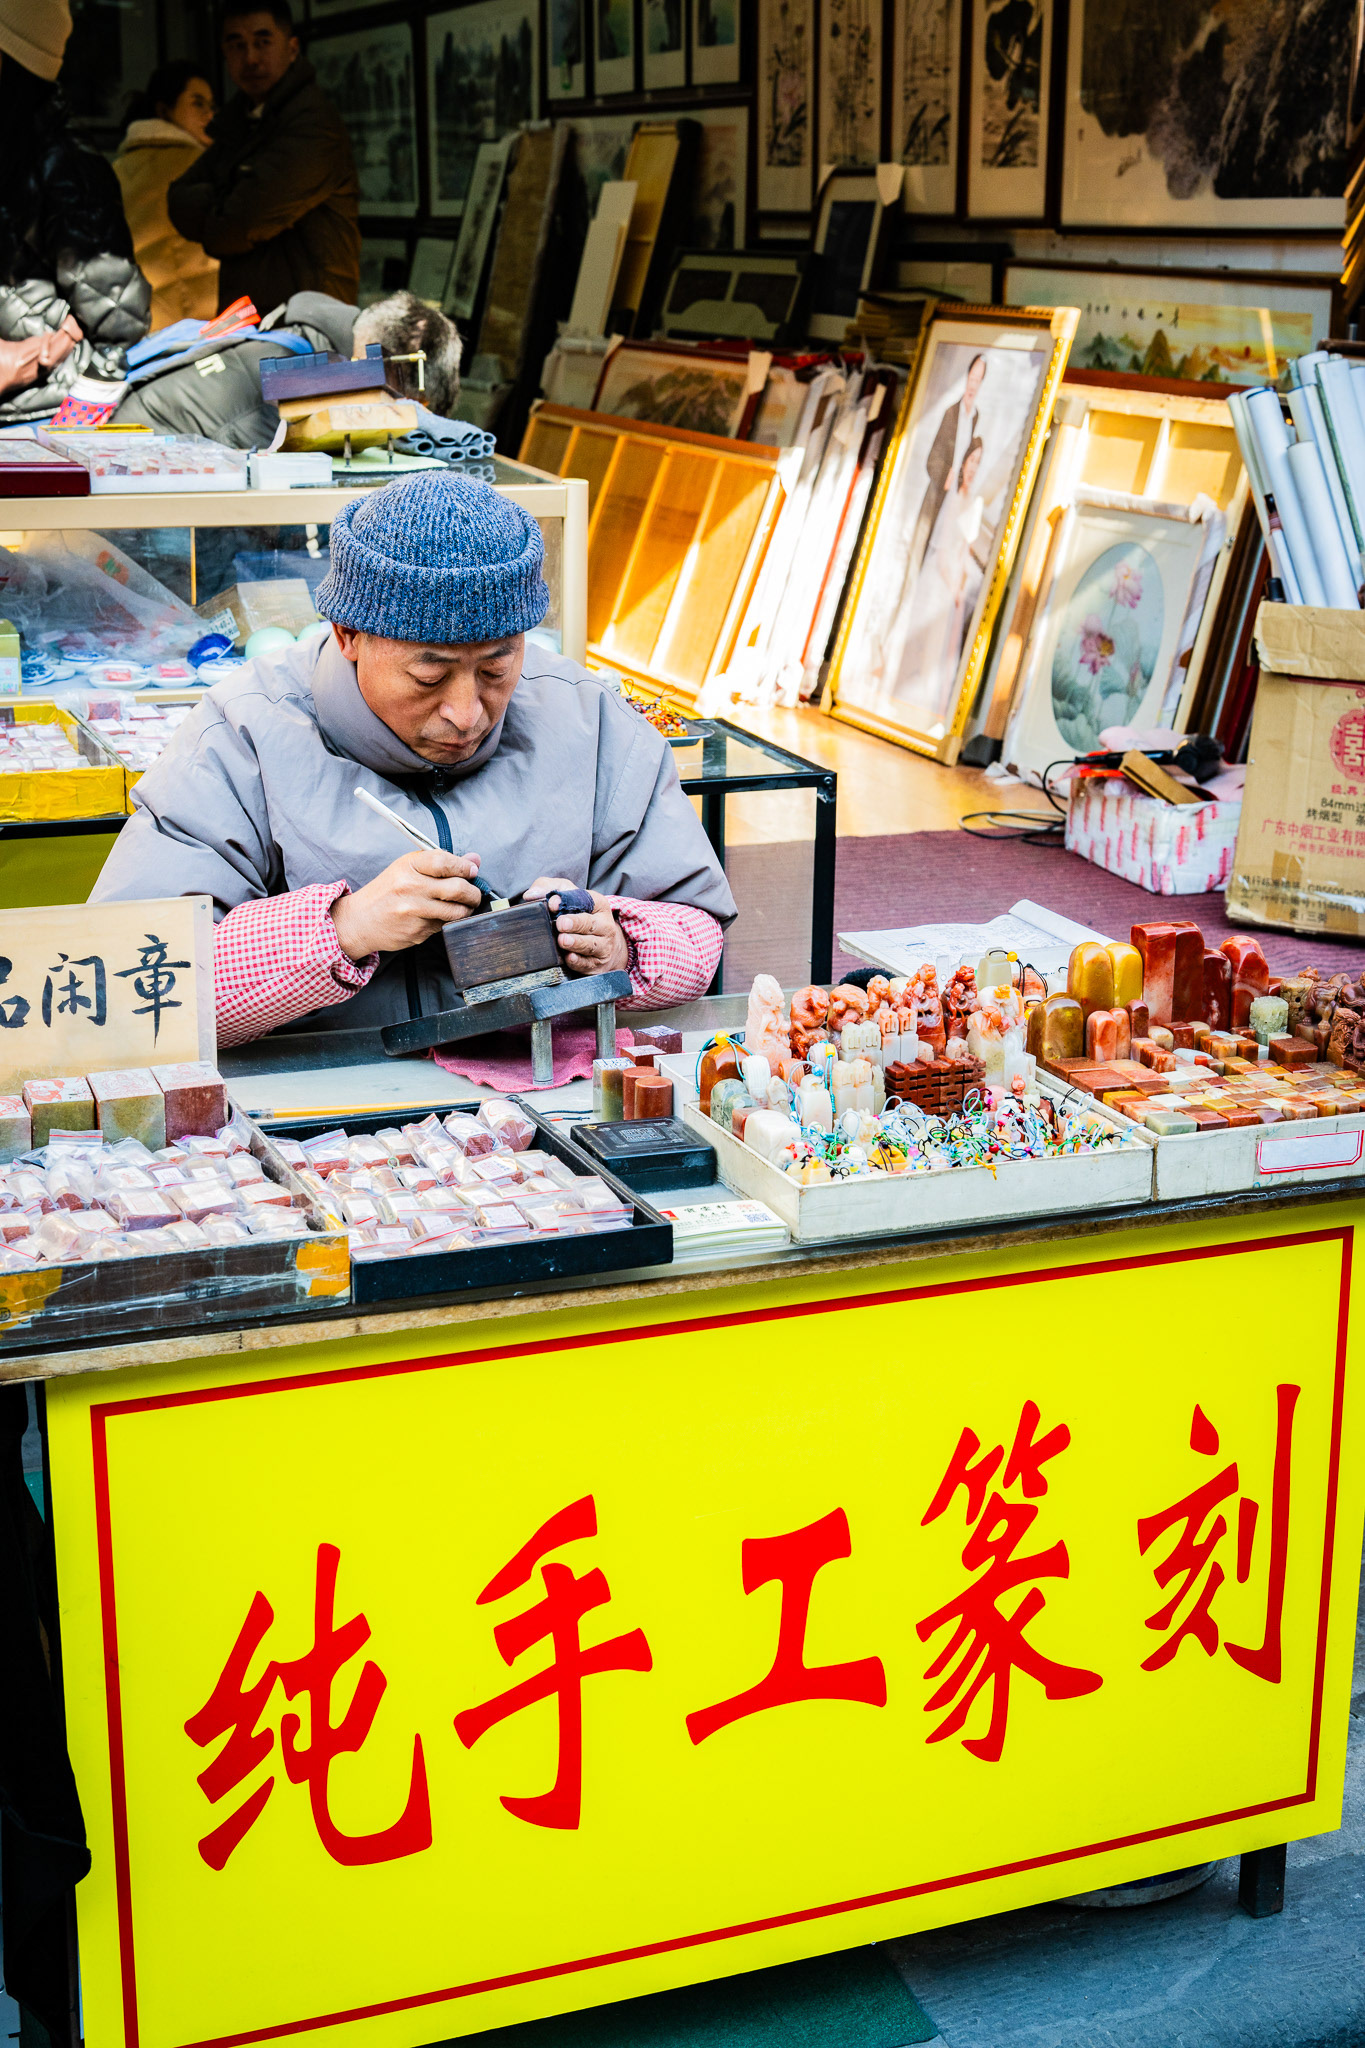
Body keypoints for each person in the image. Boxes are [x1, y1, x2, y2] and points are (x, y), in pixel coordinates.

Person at [91, 472, 736, 1049]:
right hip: (312, 1116)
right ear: (347, 635)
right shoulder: (242, 732)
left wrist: (619, 943)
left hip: (542, 1105)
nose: (467, 713)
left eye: (496, 667)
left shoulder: (589, 718)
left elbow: (699, 931)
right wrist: (344, 930)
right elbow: (132, 980)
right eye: (430, 673)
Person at [0, 0, 150, 421]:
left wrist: (74, 426)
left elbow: (119, 325)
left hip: (42, 422)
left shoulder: (66, 164)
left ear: (16, 62)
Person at [167, 1, 359, 313]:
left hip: (307, 332)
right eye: (237, 45)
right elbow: (177, 202)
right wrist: (231, 195)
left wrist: (223, 204)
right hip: (253, 324)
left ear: (292, 48)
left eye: (263, 42)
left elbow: (238, 225)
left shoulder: (313, 124)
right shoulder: (239, 122)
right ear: (225, 53)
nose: (251, 58)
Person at [112, 289, 462, 447]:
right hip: (133, 477)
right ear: (392, 370)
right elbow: (262, 510)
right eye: (408, 404)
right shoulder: (295, 380)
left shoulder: (309, 338)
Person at [115, 61, 219, 329]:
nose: (209, 115)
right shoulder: (206, 165)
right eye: (198, 104)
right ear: (164, 109)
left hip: (147, 328)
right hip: (212, 326)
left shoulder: (117, 170)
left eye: (211, 105)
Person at [892, 437, 986, 724]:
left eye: (979, 463)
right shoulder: (955, 497)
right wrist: (954, 586)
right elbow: (945, 548)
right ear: (964, 462)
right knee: (929, 643)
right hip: (940, 575)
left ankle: (932, 711)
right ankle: (909, 704)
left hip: (955, 573)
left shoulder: (971, 500)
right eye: (972, 461)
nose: (974, 468)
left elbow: (964, 547)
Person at [909, 354, 987, 576]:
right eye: (972, 378)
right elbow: (931, 459)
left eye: (978, 380)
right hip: (937, 496)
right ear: (967, 378)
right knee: (922, 551)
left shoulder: (975, 416)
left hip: (954, 500)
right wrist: (946, 475)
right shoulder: (951, 413)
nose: (973, 384)